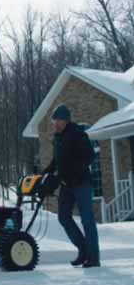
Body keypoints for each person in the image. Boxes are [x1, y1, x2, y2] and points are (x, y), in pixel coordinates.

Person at [43, 104, 101, 268]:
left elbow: (89, 156)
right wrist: (43, 174)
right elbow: (56, 162)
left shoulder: (77, 134)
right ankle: (83, 250)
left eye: (59, 120)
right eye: (54, 120)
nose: (56, 123)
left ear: (66, 121)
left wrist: (73, 171)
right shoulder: (58, 138)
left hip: (82, 183)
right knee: (63, 217)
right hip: (67, 184)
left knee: (87, 219)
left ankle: (94, 257)